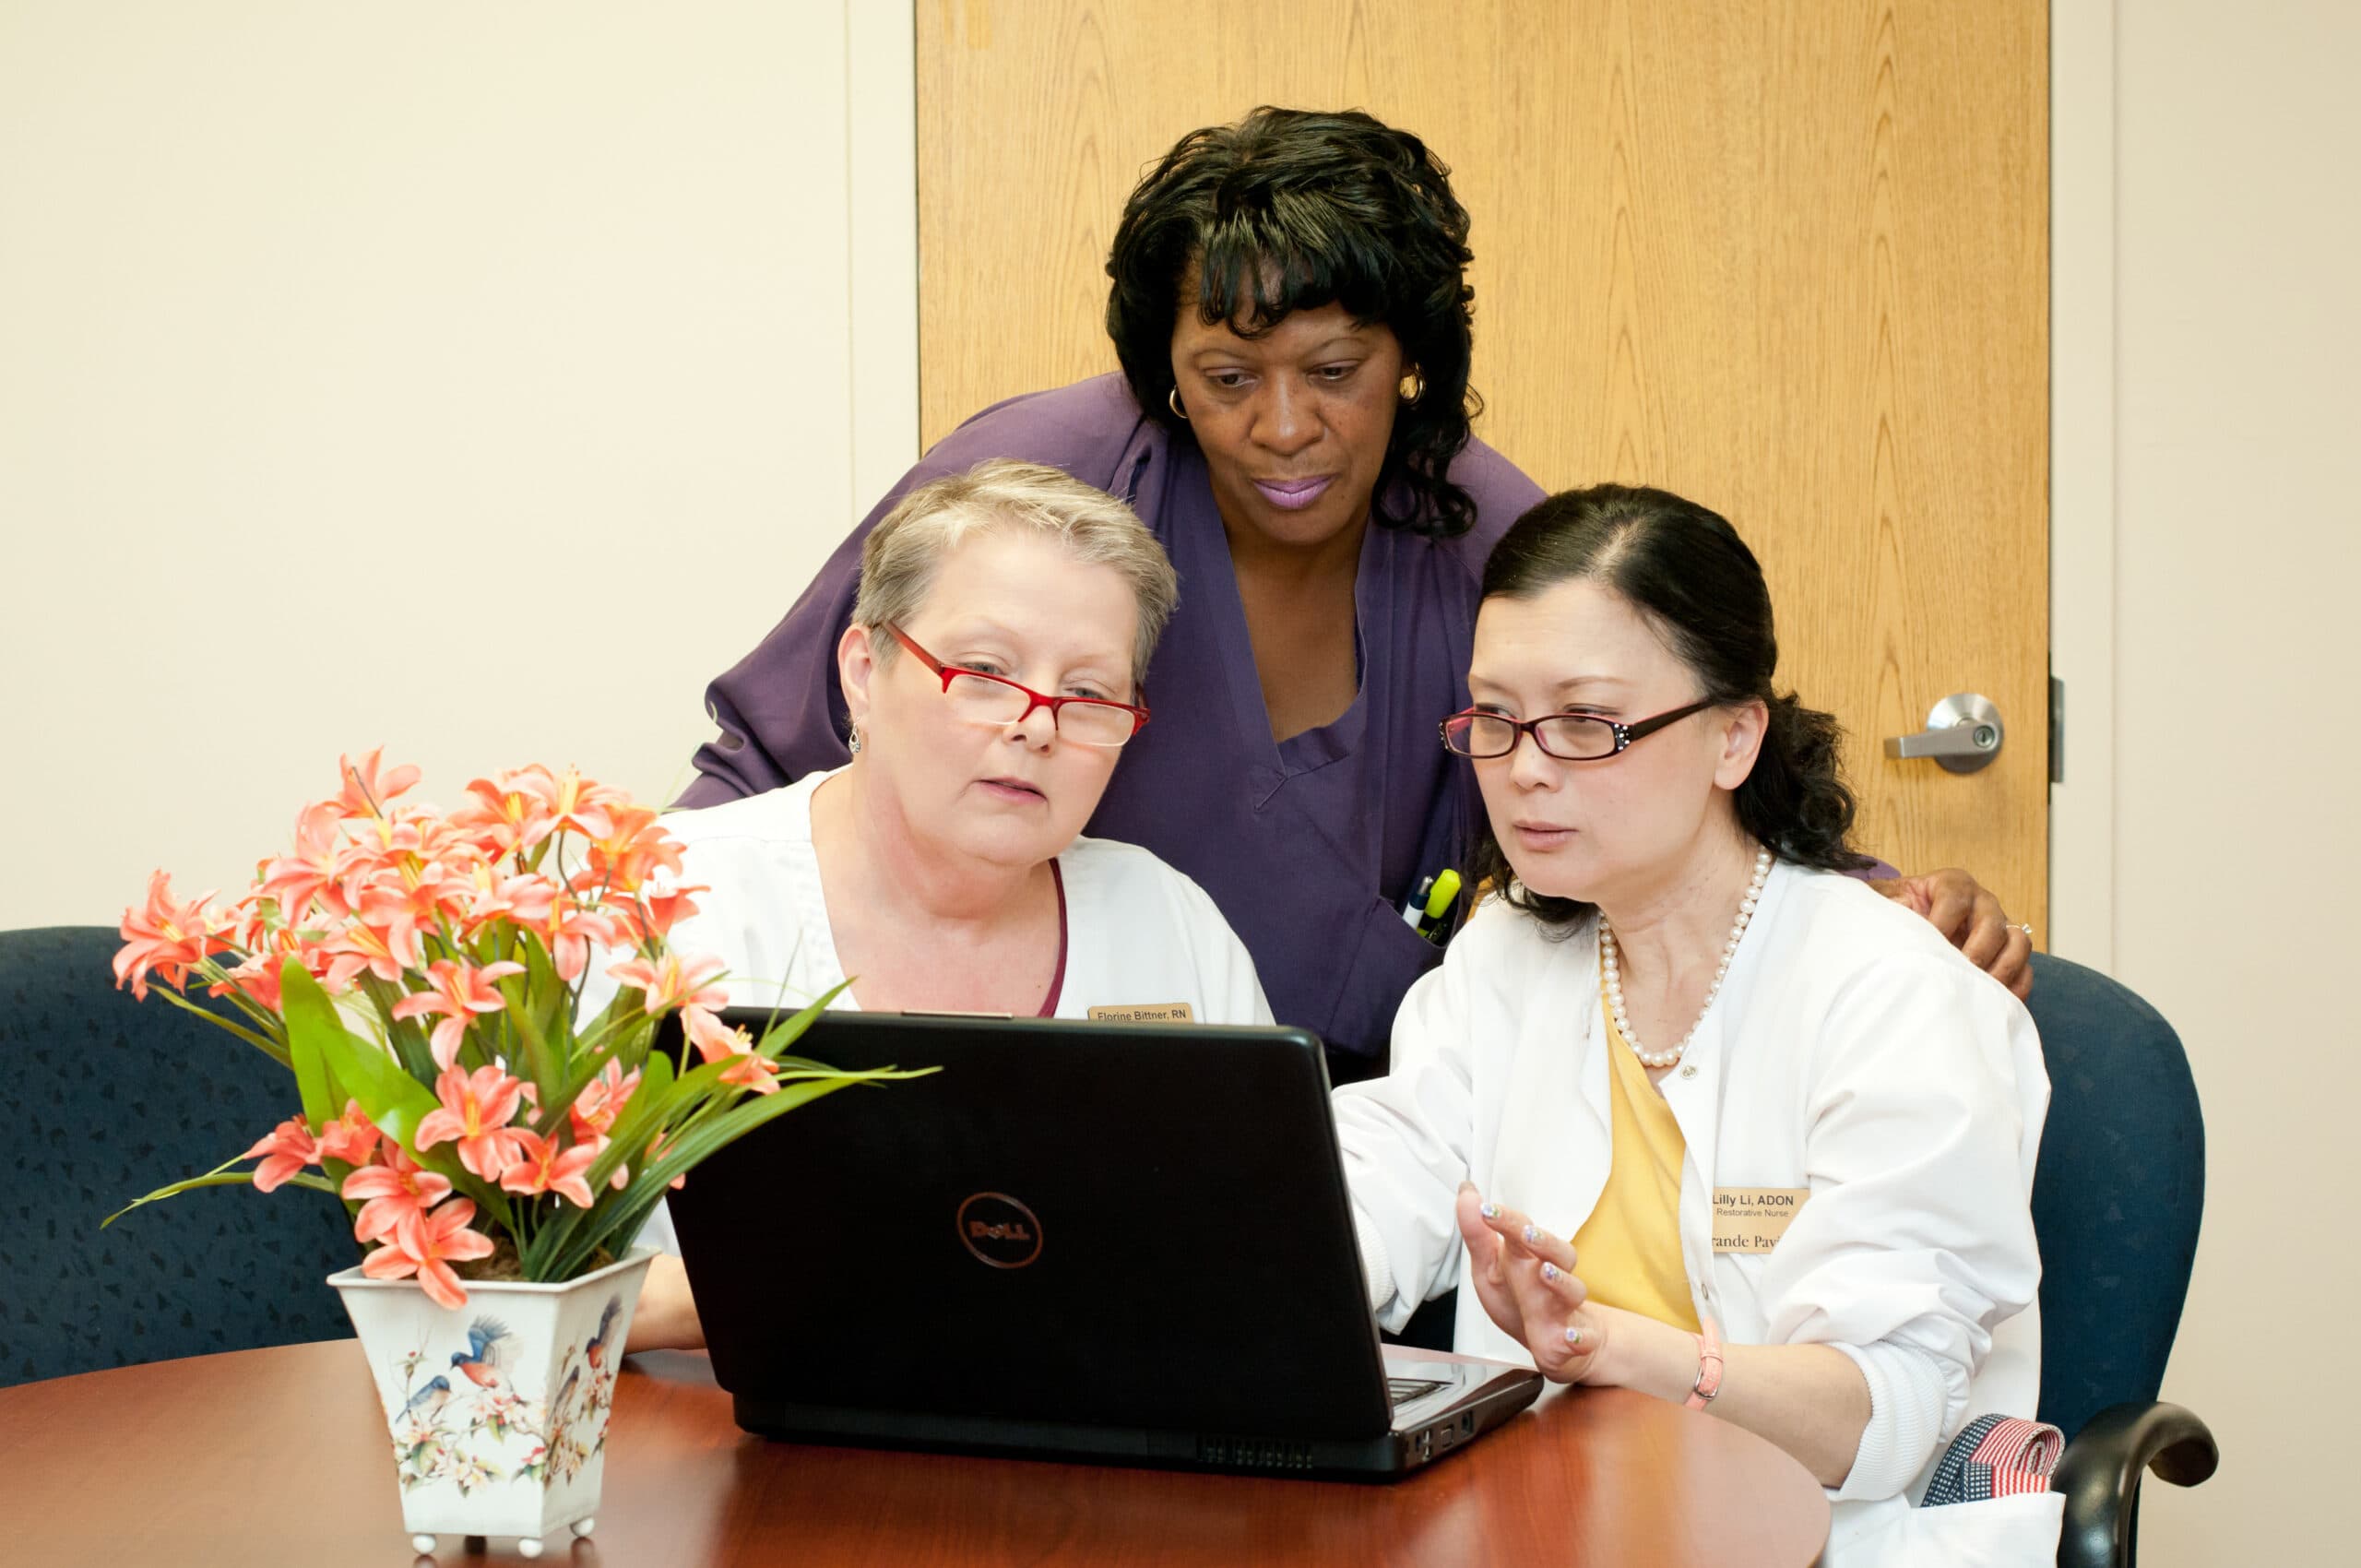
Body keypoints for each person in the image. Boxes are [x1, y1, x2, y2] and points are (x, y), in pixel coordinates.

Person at [678, 106, 2032, 1075]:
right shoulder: (1045, 485)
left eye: (1334, 372)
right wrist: (638, 1060)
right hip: (1040, 1096)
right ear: (1165, 374)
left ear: (1413, 364)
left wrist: (1868, 896)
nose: (1282, 427)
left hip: (1381, 1117)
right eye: (1227, 377)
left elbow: (1666, 735)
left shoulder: (1476, 527)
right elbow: (759, 768)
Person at [1335, 486, 2058, 1564]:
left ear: (1732, 737)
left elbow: (1879, 1414)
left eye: (1584, 722)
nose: (1524, 765)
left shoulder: (1887, 991)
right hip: (1547, 1526)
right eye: (1493, 715)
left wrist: (1610, 1348)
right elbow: (1379, 1181)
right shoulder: (1502, 959)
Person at [617, 460, 1272, 1349]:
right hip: (708, 1455)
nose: (1035, 724)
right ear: (862, 670)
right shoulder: (665, 901)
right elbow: (501, 1281)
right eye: (985, 670)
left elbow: (1263, 1265)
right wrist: (810, 1278)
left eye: (1087, 693)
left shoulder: (1168, 926)